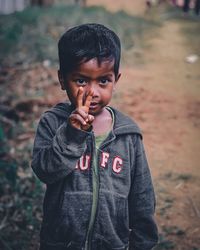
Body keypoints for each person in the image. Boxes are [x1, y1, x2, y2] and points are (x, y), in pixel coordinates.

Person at [31, 23, 158, 250]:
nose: (92, 92)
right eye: (81, 80)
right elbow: (45, 171)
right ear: (62, 80)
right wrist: (71, 136)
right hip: (60, 243)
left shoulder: (128, 134)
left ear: (115, 80)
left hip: (113, 244)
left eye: (103, 81)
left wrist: (143, 241)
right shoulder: (52, 122)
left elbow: (142, 196)